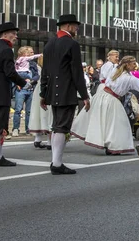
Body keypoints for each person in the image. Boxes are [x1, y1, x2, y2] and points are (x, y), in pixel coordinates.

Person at [40, 14, 90, 175]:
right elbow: (76, 73)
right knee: (62, 127)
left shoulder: (49, 44)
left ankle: (55, 161)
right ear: (68, 26)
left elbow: (45, 71)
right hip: (66, 90)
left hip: (52, 91)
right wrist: (84, 95)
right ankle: (56, 163)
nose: (77, 29)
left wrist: (43, 92)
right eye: (75, 26)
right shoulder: (71, 44)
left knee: (56, 126)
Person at [72, 56, 139, 155]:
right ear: (127, 64)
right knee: (117, 124)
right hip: (111, 99)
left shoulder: (116, 70)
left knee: (104, 122)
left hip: (101, 95)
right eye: (133, 63)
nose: (135, 66)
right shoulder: (128, 78)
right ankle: (112, 146)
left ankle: (108, 144)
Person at [0, 22, 28, 167]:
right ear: (5, 34)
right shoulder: (7, 50)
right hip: (1, 91)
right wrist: (23, 82)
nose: (16, 36)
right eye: (14, 33)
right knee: (0, 124)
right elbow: (9, 72)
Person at [12, 46, 41, 137]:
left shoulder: (33, 64)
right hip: (20, 89)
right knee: (18, 109)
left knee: (29, 111)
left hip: (30, 89)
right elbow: (13, 74)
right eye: (30, 52)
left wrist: (31, 81)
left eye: (33, 52)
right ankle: (15, 128)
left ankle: (28, 129)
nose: (32, 54)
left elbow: (37, 76)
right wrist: (18, 83)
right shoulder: (19, 63)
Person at [29, 56, 52, 149]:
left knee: (38, 113)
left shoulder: (39, 69)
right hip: (47, 89)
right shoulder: (49, 68)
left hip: (39, 90)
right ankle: (50, 141)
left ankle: (38, 139)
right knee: (48, 114)